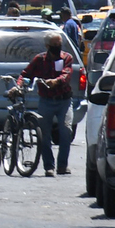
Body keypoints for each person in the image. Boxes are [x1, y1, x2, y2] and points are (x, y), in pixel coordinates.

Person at [16, 32, 74, 177]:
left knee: (66, 131)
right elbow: (25, 74)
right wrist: (19, 85)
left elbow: (66, 74)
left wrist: (56, 81)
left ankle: (62, 165)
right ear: (47, 46)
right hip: (46, 100)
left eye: (59, 44)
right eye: (54, 45)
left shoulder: (66, 57)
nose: (57, 47)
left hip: (64, 100)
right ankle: (49, 166)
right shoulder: (39, 59)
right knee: (44, 134)